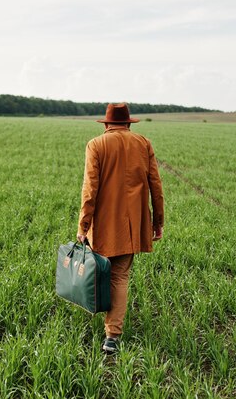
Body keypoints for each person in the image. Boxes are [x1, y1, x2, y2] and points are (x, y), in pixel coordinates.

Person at [77, 102, 164, 355]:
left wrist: (83, 225)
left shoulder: (96, 145)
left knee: (100, 273)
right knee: (119, 277)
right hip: (132, 225)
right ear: (128, 123)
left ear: (106, 125)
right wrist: (157, 223)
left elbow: (89, 189)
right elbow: (156, 186)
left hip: (101, 224)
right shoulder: (143, 144)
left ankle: (104, 319)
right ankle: (112, 337)